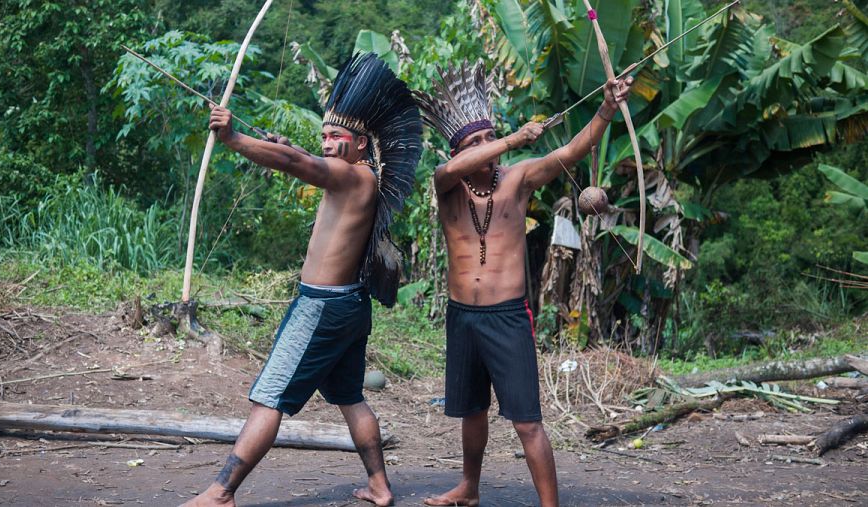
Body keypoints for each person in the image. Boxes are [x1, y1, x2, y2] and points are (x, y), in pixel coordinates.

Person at [182, 53, 423, 507]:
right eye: (325, 137)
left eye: (337, 137)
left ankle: (220, 492)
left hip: (321, 307)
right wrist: (280, 147)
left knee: (269, 397)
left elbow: (301, 164)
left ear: (362, 144)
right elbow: (302, 159)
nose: (328, 144)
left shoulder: (355, 177)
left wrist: (233, 137)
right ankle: (379, 486)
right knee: (351, 397)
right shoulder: (357, 178)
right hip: (348, 306)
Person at [413, 61, 632, 507]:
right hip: (463, 317)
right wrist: (514, 137)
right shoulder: (446, 183)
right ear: (458, 151)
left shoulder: (519, 178)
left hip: (507, 317)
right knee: (471, 411)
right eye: (475, 142)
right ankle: (469, 489)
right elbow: (449, 169)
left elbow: (571, 152)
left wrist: (607, 108)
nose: (488, 146)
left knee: (527, 421)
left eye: (491, 137)